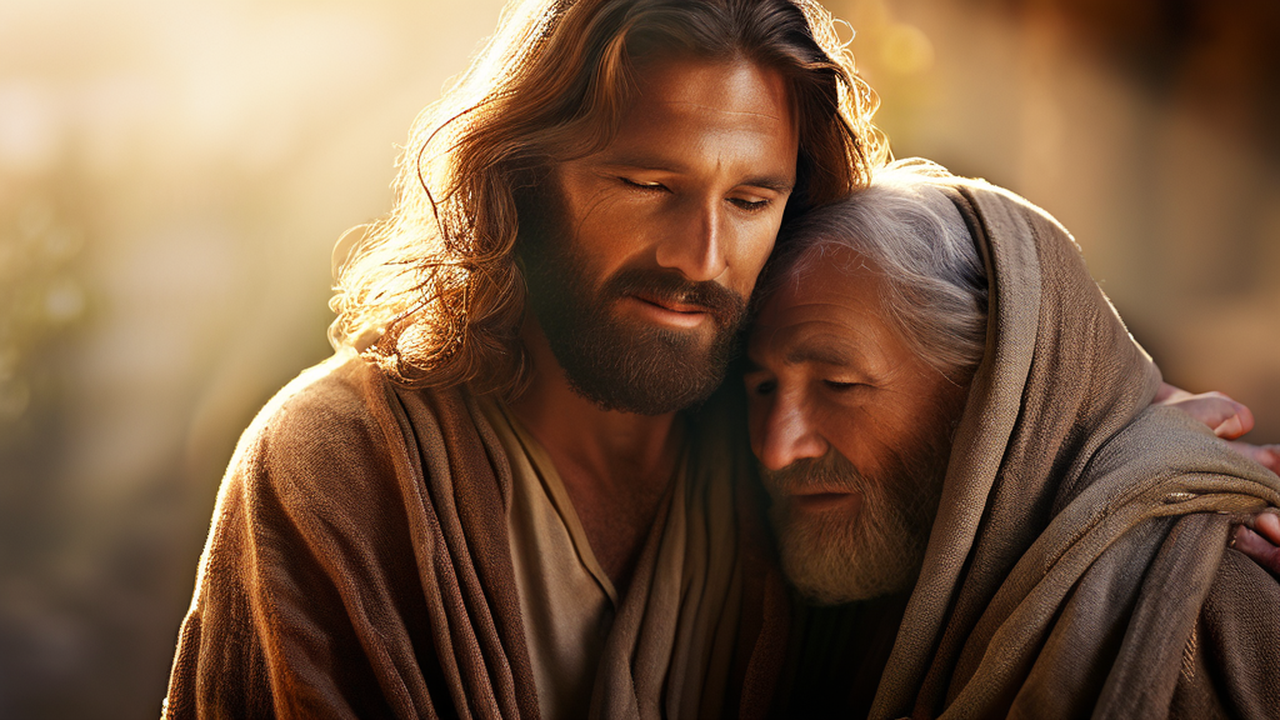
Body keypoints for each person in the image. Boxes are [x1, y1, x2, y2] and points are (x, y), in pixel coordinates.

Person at [162, 0, 883, 717]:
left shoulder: (792, 463)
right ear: (522, 175)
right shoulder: (342, 461)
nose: (701, 256)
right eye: (647, 185)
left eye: (752, 201)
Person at [745, 159, 1280, 718]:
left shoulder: (1205, 610)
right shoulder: (848, 616)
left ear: (997, 393)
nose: (776, 449)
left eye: (838, 385)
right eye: (760, 388)